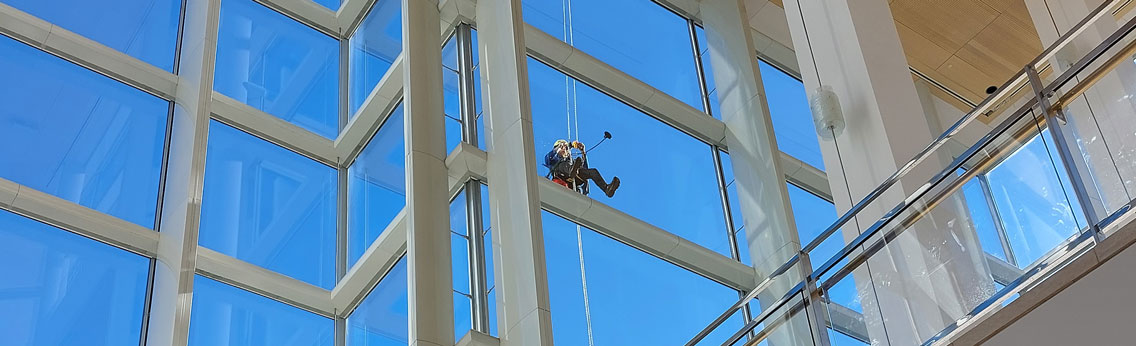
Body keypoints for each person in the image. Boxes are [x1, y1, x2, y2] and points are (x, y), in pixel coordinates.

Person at [543, 139, 620, 197]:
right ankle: (572, 171)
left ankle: (607, 189)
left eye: (566, 148)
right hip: (562, 176)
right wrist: (569, 145)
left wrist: (583, 152)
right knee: (564, 164)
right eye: (562, 147)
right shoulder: (552, 159)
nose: (565, 149)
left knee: (593, 171)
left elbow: (585, 169)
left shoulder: (572, 162)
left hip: (574, 178)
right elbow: (549, 157)